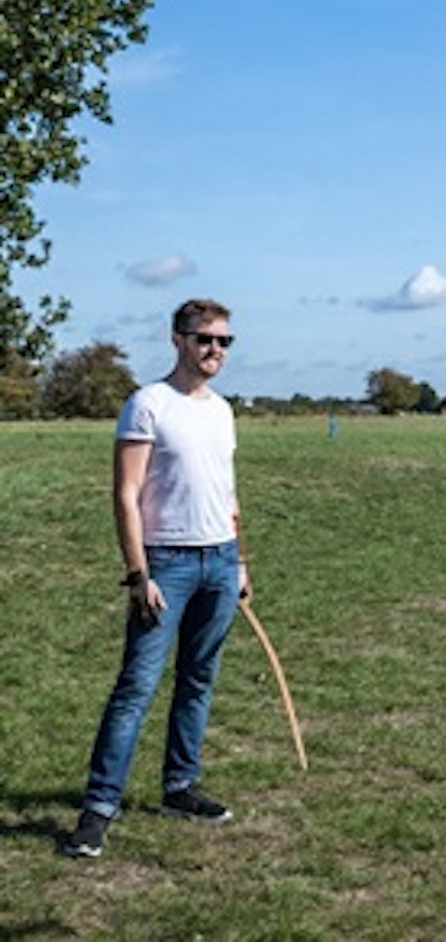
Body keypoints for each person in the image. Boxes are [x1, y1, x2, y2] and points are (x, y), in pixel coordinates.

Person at [64, 298, 250, 859]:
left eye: (224, 341)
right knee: (136, 689)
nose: (215, 349)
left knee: (198, 680)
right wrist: (138, 572)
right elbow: (125, 493)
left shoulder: (221, 410)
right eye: (204, 339)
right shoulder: (148, 404)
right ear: (178, 339)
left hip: (218, 560)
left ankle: (179, 788)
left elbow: (228, 492)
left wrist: (239, 562)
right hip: (165, 563)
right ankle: (98, 809)